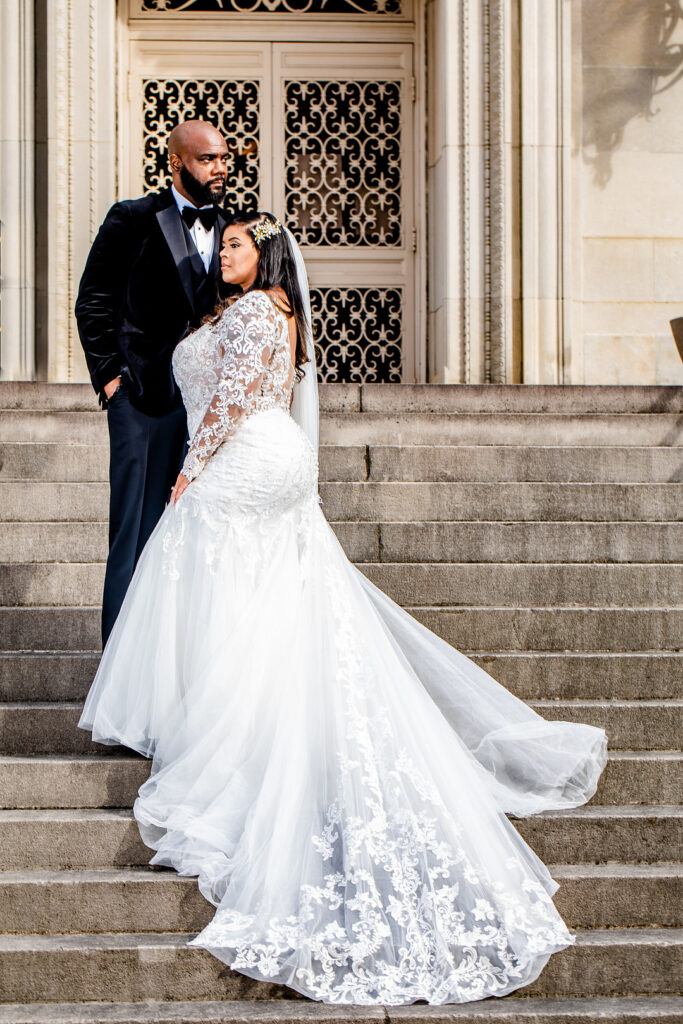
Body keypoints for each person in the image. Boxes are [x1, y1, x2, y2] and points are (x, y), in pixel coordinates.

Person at [79, 212, 607, 1006]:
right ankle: (232, 703)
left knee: (209, 565)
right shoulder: (244, 309)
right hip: (257, 452)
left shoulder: (260, 309)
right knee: (246, 588)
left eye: (238, 245)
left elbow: (229, 401)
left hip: (244, 456)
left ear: (269, 258)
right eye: (220, 242)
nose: (224, 251)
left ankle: (232, 720)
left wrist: (188, 471)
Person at [75, 120, 230, 643]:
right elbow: (93, 300)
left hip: (205, 408)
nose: (220, 168)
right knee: (135, 534)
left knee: (190, 539)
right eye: (207, 159)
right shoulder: (132, 218)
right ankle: (118, 667)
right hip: (141, 401)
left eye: (224, 157)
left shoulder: (233, 229)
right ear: (176, 163)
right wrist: (111, 380)